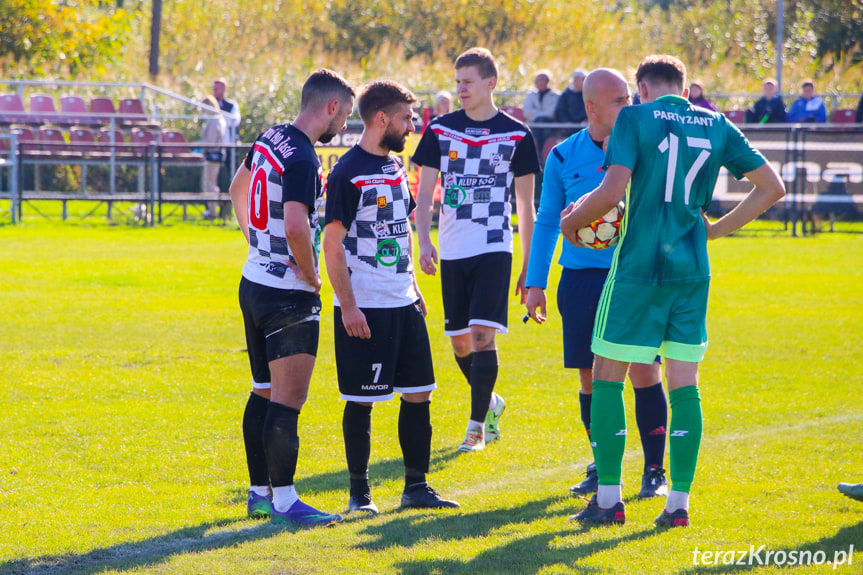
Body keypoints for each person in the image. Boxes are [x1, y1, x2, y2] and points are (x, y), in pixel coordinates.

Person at [560, 54, 785, 527]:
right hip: (691, 272)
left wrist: (569, 224)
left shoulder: (633, 118)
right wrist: (714, 232)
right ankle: (677, 505)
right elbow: (772, 187)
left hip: (638, 270)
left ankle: (607, 500)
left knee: (606, 373)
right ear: (684, 90)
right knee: (685, 384)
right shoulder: (716, 123)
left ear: (641, 88)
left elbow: (609, 193)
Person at [524, 68, 669, 500]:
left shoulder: (644, 148)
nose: (629, 107)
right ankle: (603, 465)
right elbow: (549, 218)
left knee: (645, 369)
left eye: (629, 98)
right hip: (581, 280)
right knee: (590, 380)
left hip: (632, 276)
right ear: (591, 107)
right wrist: (536, 282)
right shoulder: (563, 155)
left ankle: (655, 471)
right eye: (619, 100)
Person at [323, 80, 460, 514]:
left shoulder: (397, 165)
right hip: (365, 306)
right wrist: (348, 306)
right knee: (361, 400)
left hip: (403, 302)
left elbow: (397, 233)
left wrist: (413, 287)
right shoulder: (347, 172)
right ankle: (359, 495)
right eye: (405, 117)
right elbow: (331, 244)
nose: (411, 124)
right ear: (380, 118)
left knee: (420, 393)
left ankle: (416, 487)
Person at [228, 69, 355, 526]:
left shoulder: (271, 136)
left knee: (263, 390)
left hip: (253, 281)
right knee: (287, 400)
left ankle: (258, 492)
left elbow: (236, 190)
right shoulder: (303, 157)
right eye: (345, 116)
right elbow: (299, 226)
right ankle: (284, 499)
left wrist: (256, 241)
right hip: (287, 294)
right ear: (331, 107)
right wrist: (311, 273)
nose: (343, 127)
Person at [412, 47, 541, 453]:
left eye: (468, 82)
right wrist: (425, 240)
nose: (460, 89)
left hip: (493, 247)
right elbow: (425, 193)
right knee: (460, 342)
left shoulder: (517, 134)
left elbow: (525, 205)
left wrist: (529, 264)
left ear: (491, 83)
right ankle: (492, 402)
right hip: (451, 249)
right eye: (457, 82)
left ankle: (475, 427)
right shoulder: (440, 130)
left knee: (484, 335)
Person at [201, 95, 227, 219]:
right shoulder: (219, 119)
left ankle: (212, 210)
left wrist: (199, 146)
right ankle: (213, 208)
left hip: (212, 155)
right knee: (212, 182)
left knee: (210, 183)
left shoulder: (213, 120)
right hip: (216, 155)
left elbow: (210, 140)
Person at [524, 69, 560, 150]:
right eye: (537, 80)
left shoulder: (555, 96)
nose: (538, 83)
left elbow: (552, 112)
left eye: (541, 80)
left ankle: (540, 152)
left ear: (547, 81)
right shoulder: (531, 95)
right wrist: (538, 117)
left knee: (542, 125)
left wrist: (539, 116)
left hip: (549, 124)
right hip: (533, 123)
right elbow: (527, 111)